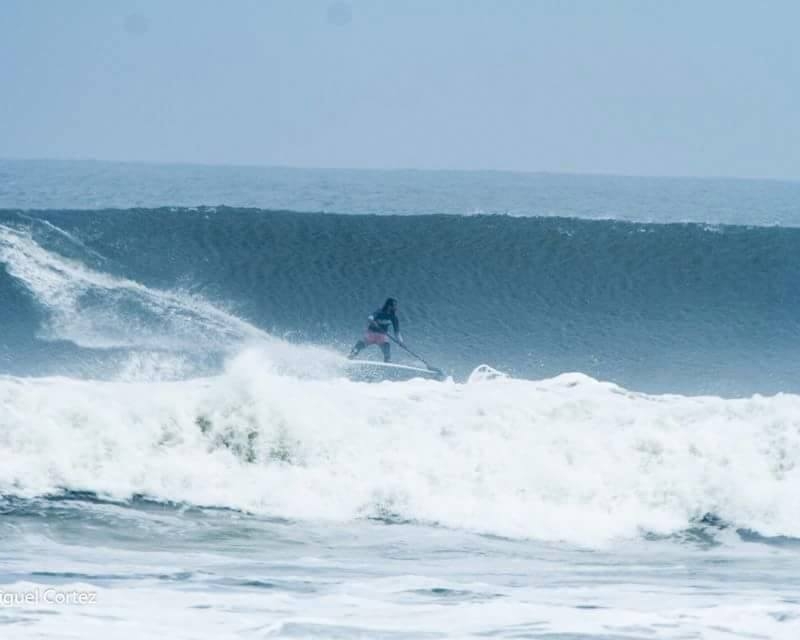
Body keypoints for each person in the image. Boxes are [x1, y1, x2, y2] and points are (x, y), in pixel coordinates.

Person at [348, 297, 403, 362]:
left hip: (382, 336)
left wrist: (400, 342)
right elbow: (370, 318)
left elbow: (397, 332)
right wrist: (372, 321)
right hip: (371, 333)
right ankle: (352, 354)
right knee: (361, 344)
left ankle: (387, 359)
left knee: (386, 345)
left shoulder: (394, 318)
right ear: (389, 306)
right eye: (394, 305)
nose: (396, 307)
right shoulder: (379, 312)